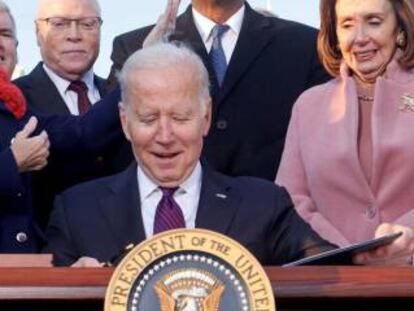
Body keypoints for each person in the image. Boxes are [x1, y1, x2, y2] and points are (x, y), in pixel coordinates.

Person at [45, 43, 413, 267]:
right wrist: (77, 288)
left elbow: (329, 268)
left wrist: (373, 259)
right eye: (148, 118)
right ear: (124, 122)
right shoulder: (76, 212)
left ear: (206, 117)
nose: (165, 136)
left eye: (181, 116)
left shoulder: (264, 205)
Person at [106, 0, 331, 181]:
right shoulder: (135, 47)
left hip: (275, 224)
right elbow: (111, 141)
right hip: (173, 228)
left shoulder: (304, 45)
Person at [276, 0, 414, 256]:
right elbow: (290, 200)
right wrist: (344, 252)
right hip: (334, 279)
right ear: (335, 35)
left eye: (374, 22)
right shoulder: (308, 105)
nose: (360, 38)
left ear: (400, 30)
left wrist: (404, 237)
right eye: (347, 25)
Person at [0, 0, 123, 253]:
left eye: (5, 34)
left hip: (40, 274)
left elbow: (82, 132)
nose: (74, 35)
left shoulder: (17, 111)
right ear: (38, 34)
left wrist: (140, 73)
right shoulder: (23, 96)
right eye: (59, 24)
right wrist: (12, 164)